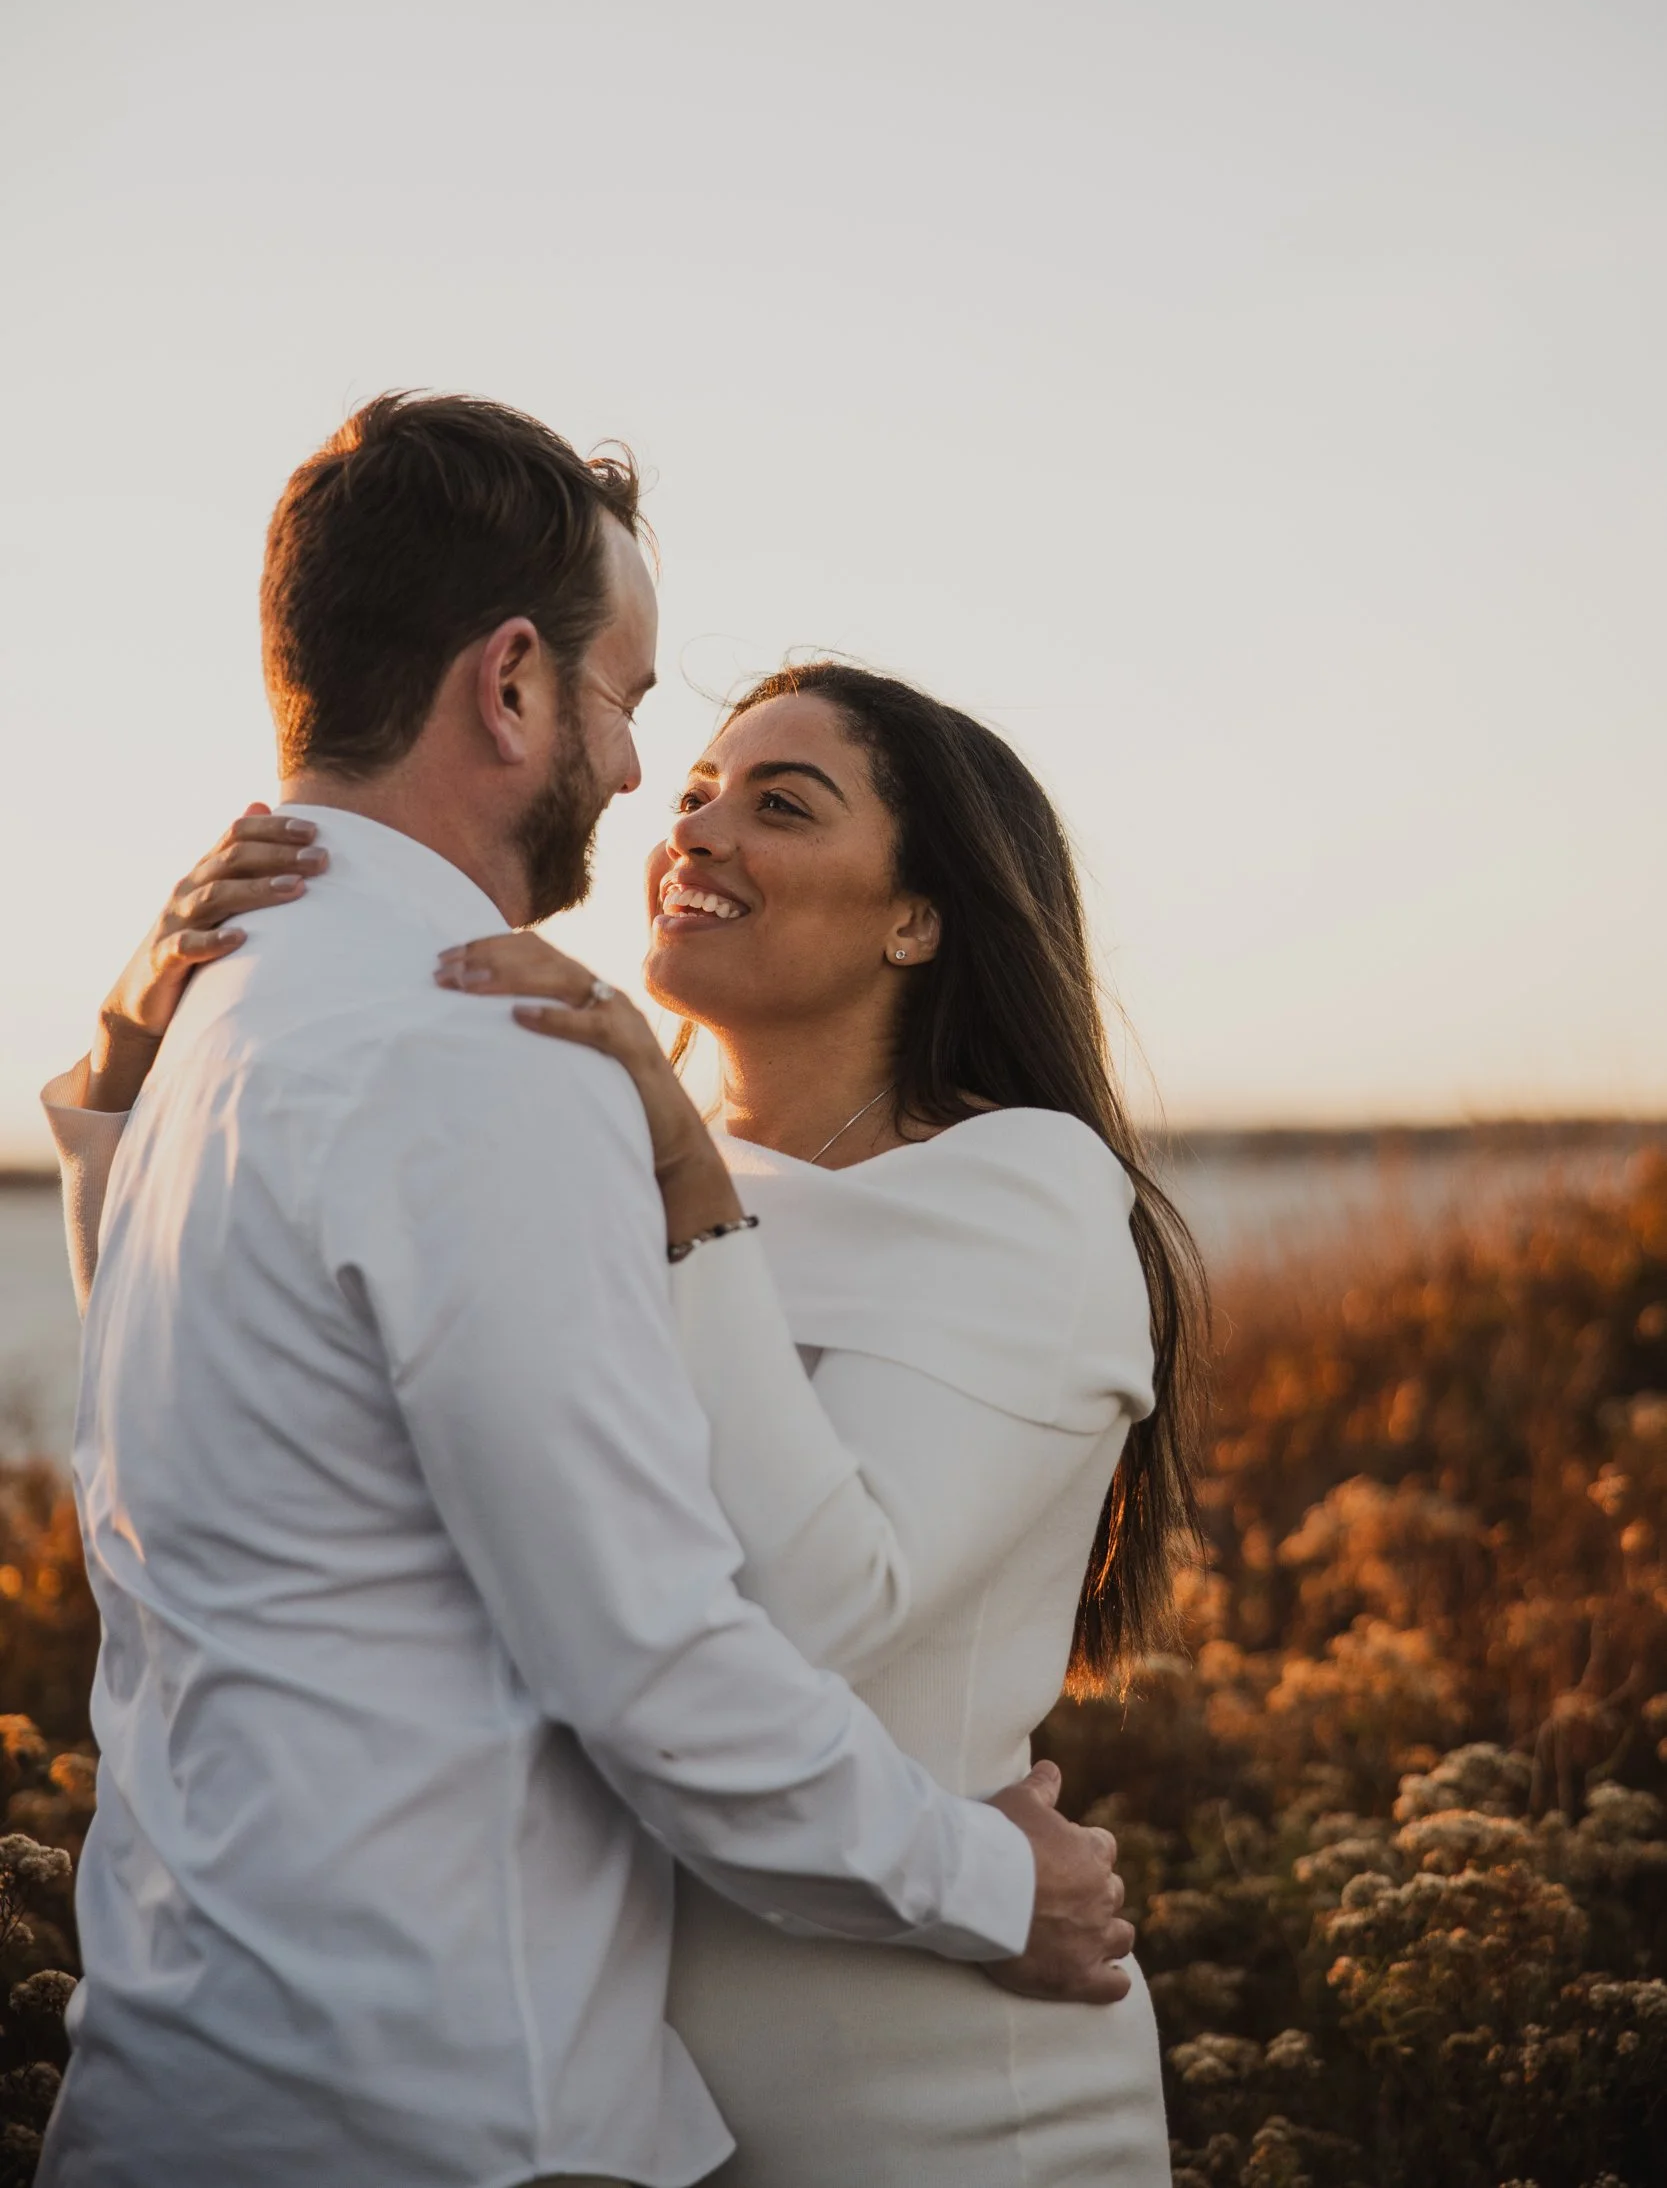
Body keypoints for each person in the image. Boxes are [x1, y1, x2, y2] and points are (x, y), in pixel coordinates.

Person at [36, 393, 1134, 2188]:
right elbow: (651, 1654)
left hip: (199, 2068)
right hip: (452, 2107)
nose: (642, 787)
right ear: (512, 686)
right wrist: (991, 1879)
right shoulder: (494, 1055)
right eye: (634, 711)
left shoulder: (226, 1020)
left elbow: (230, 1433)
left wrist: (119, 1083)